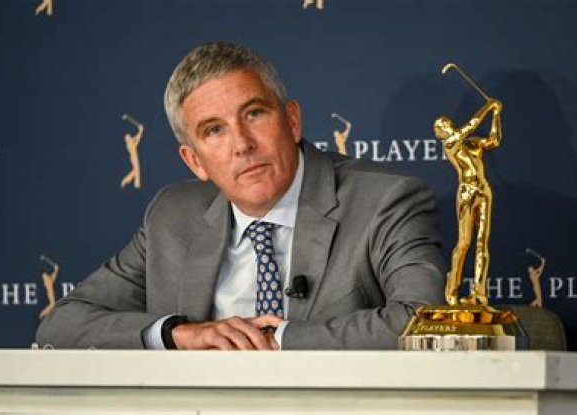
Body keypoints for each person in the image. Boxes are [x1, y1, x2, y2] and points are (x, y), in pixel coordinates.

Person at [36, 42, 445, 350]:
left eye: (254, 114)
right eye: (214, 130)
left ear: (292, 120)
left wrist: (276, 339)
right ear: (194, 161)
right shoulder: (172, 218)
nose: (242, 144)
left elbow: (425, 321)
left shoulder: (384, 200)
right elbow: (61, 325)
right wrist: (179, 334)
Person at [434, 98, 502, 307]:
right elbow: (473, 123)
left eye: (444, 123)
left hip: (484, 190)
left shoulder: (472, 144)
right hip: (466, 192)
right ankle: (452, 288)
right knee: (464, 243)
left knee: (483, 243)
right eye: (440, 127)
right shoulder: (450, 144)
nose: (444, 126)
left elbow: (494, 140)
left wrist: (496, 115)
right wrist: (489, 106)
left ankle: (479, 294)